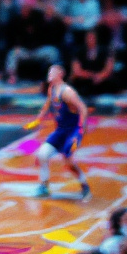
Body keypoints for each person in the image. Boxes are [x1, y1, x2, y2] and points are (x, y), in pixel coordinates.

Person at [30, 64, 90, 200]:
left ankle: (84, 185)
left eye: (52, 72)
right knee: (42, 154)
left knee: (68, 162)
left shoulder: (67, 92)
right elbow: (47, 105)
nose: (49, 74)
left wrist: (81, 130)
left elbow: (83, 108)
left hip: (72, 132)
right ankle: (44, 186)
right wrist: (38, 120)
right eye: (49, 72)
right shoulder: (52, 89)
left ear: (60, 74)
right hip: (60, 131)